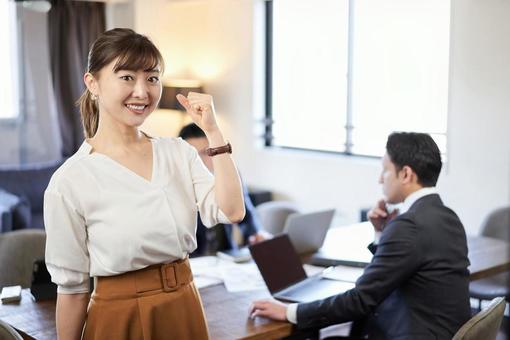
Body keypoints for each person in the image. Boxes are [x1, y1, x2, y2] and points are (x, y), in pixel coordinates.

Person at [44, 28, 245, 340]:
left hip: (185, 305)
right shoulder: (71, 180)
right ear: (92, 83)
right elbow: (72, 289)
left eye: (151, 78)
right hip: (119, 316)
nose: (142, 91)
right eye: (126, 77)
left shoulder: (178, 152)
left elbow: (232, 211)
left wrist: (214, 132)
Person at [250, 132, 471, 340]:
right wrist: (381, 233)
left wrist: (290, 311)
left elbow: (361, 299)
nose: (379, 179)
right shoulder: (448, 217)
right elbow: (394, 271)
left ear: (405, 174)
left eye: (384, 170)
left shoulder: (409, 225)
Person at [178, 123, 268, 256]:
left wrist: (257, 234)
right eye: (192, 155)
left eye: (205, 153)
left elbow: (247, 215)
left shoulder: (229, 177)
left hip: (227, 256)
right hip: (192, 262)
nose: (199, 161)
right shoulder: (175, 184)